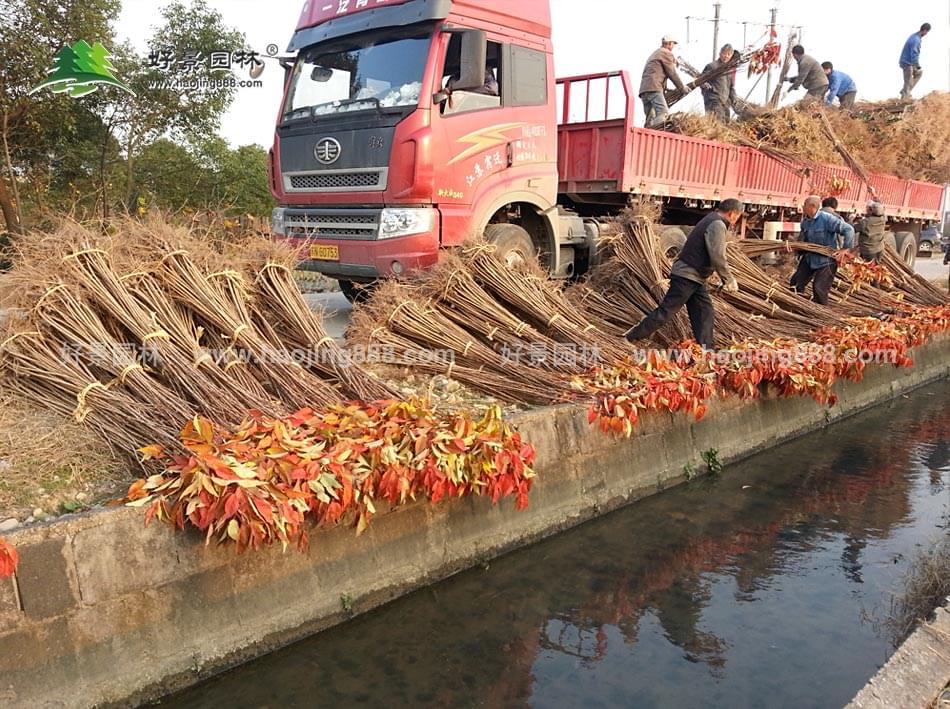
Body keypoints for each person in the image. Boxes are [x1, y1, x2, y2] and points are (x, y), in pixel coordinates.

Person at [624, 199, 743, 349]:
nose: (735, 221)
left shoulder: (711, 219)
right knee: (666, 312)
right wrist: (729, 279)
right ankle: (631, 337)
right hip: (687, 276)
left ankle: (707, 350)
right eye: (737, 217)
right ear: (732, 213)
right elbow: (717, 255)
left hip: (695, 277)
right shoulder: (717, 224)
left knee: (704, 311)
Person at [792, 195, 855, 304]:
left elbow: (849, 230)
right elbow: (802, 241)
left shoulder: (826, 219)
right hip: (810, 258)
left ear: (812, 206)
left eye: (805, 205)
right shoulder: (805, 222)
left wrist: (845, 249)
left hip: (826, 261)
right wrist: (795, 248)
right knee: (796, 283)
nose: (803, 207)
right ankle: (798, 307)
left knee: (819, 289)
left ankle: (819, 314)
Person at [639, 34, 691, 128]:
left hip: (644, 90)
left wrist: (667, 89)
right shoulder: (666, 53)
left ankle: (647, 134)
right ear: (669, 44)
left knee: (650, 118)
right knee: (663, 114)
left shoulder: (656, 53)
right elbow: (672, 73)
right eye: (673, 44)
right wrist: (682, 87)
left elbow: (657, 73)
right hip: (654, 88)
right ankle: (654, 132)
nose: (673, 47)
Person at [701, 44, 738, 122]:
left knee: (726, 122)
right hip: (713, 99)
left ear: (731, 56)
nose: (726, 56)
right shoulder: (712, 66)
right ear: (720, 53)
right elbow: (701, 80)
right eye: (724, 53)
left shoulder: (729, 69)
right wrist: (704, 85)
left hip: (724, 101)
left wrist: (734, 98)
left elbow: (731, 87)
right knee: (716, 122)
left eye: (729, 54)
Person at [899, 23, 930, 100]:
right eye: (927, 32)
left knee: (919, 73)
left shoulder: (915, 36)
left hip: (909, 62)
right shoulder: (916, 39)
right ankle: (905, 98)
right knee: (908, 80)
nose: (926, 34)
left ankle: (905, 91)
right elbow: (914, 53)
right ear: (925, 31)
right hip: (907, 63)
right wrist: (917, 65)